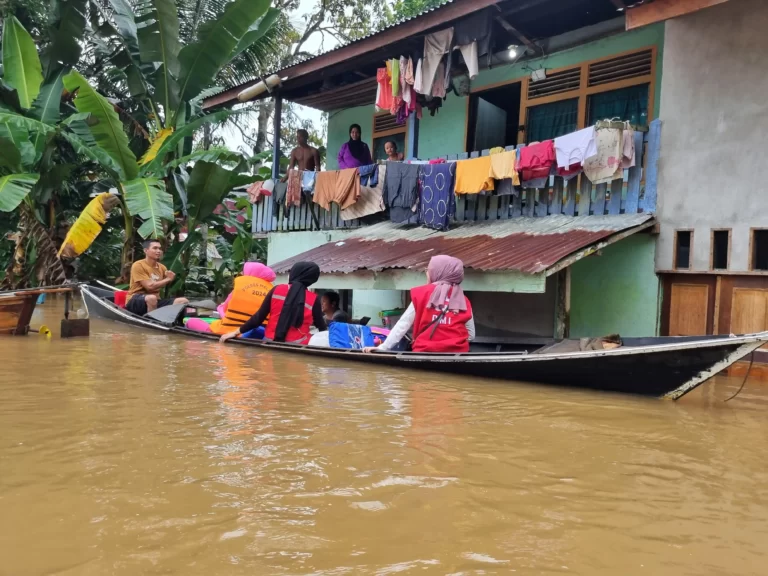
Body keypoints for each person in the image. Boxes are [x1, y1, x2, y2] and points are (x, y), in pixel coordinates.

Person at [363, 255, 475, 353]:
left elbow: (403, 324)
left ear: (438, 272)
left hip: (424, 351)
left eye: (429, 269)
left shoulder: (421, 294)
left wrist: (384, 347)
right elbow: (471, 335)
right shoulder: (463, 299)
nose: (427, 273)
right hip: (457, 353)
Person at [219, 262, 327, 345]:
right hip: (299, 343)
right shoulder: (314, 299)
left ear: (294, 273)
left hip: (270, 340)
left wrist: (235, 332)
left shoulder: (277, 290)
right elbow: (321, 327)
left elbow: (258, 318)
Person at [186, 262, 276, 335]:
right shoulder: (272, 291)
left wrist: (220, 307)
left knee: (191, 321)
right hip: (261, 332)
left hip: (232, 332)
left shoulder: (238, 290)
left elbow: (225, 313)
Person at [125, 240, 188, 315]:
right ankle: (152, 321)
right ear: (146, 250)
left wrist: (172, 278)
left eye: (159, 248)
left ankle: (173, 322)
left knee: (183, 301)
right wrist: (168, 279)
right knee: (151, 298)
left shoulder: (162, 267)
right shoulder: (138, 265)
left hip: (155, 301)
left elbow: (168, 281)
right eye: (155, 248)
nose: (158, 251)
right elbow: (149, 287)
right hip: (135, 300)